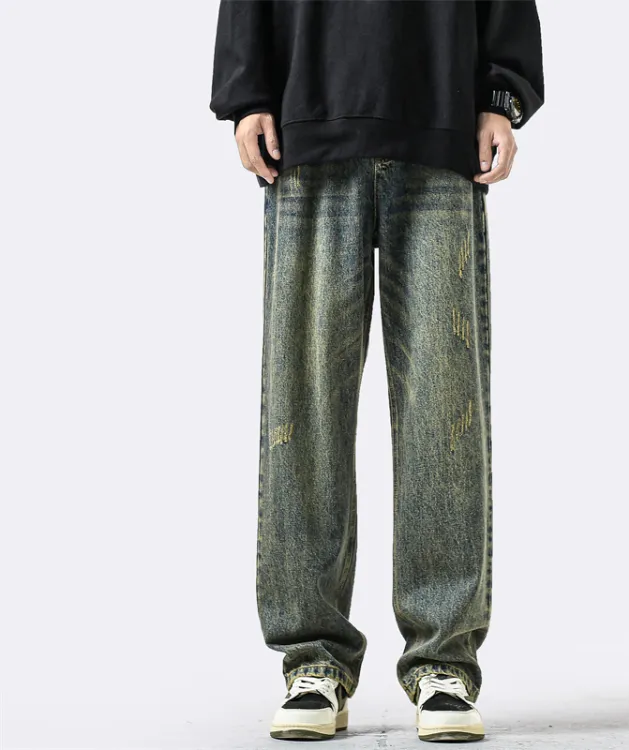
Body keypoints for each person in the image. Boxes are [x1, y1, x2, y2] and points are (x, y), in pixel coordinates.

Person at [210, 0, 544, 741]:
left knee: (444, 412)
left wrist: (502, 94)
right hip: (306, 124)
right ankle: (312, 660)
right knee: (303, 408)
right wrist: (247, 92)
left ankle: (442, 661)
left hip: (440, 125)